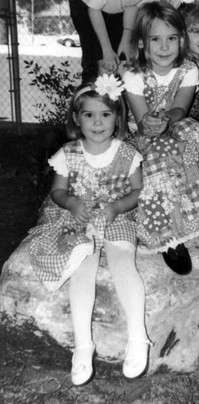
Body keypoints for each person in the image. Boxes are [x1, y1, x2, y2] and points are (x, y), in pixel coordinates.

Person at [29, 75, 151, 385]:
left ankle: (138, 337)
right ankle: (83, 346)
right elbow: (57, 190)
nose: (98, 122)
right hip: (79, 219)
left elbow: (137, 191)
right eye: (89, 115)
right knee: (83, 268)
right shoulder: (68, 153)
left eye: (106, 114)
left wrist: (116, 208)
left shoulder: (126, 153)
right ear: (76, 119)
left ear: (118, 118)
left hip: (116, 217)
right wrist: (70, 202)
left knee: (123, 261)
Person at [122, 0, 199, 275]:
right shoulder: (134, 74)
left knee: (192, 133)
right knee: (157, 160)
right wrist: (151, 122)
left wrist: (168, 118)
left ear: (181, 41)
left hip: (174, 123)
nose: (164, 46)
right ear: (143, 43)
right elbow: (141, 117)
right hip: (143, 134)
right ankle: (168, 238)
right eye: (155, 39)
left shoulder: (187, 70)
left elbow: (181, 106)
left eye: (171, 38)